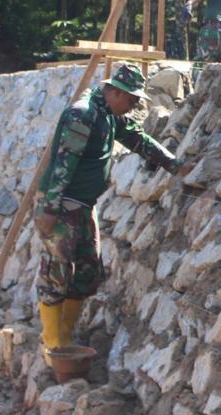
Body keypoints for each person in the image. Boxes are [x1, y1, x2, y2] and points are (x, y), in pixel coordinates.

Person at [34, 63, 182, 357]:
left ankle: (65, 336)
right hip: (62, 203)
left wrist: (173, 164)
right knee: (56, 272)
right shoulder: (82, 115)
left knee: (87, 270)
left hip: (83, 204)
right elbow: (64, 164)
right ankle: (52, 343)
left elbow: (137, 138)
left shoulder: (109, 115)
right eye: (132, 100)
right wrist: (50, 209)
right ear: (115, 93)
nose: (134, 106)